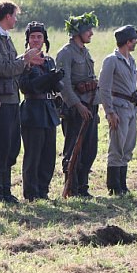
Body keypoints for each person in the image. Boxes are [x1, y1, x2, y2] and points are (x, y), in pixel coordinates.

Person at [0, 0, 30, 204]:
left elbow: (11, 65)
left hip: (12, 98)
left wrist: (23, 62)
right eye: (15, 15)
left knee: (12, 146)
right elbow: (1, 68)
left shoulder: (7, 38)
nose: (16, 19)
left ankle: (6, 190)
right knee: (1, 146)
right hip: (1, 100)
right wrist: (25, 61)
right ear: (7, 16)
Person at [56, 12, 100, 197]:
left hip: (90, 106)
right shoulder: (65, 53)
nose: (91, 33)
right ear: (78, 32)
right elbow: (63, 84)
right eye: (87, 30)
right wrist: (77, 105)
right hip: (76, 109)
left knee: (90, 149)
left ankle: (83, 187)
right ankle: (72, 188)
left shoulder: (85, 52)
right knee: (74, 151)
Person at [19, 22, 63, 201]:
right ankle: (31, 193)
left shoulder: (49, 60)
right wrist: (47, 77)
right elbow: (25, 86)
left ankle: (43, 190)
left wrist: (57, 78)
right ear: (28, 40)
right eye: (32, 37)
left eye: (39, 37)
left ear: (44, 39)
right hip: (32, 109)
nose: (36, 40)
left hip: (48, 109)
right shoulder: (23, 61)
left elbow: (54, 86)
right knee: (33, 153)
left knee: (48, 154)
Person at [99, 25, 137, 195]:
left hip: (131, 107)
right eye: (133, 40)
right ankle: (114, 186)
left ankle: (122, 184)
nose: (135, 43)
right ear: (126, 41)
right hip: (118, 108)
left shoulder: (131, 60)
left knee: (128, 146)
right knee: (117, 147)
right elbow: (103, 87)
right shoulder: (111, 60)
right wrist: (110, 112)